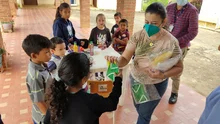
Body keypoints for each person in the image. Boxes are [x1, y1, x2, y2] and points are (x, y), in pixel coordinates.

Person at [105, 3, 183, 124]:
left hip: (156, 84)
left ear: (163, 22)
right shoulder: (138, 36)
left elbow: (179, 68)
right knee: (140, 109)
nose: (148, 26)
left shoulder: (171, 42)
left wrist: (162, 75)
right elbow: (125, 58)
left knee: (144, 115)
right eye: (146, 22)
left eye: (154, 23)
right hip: (137, 80)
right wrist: (117, 61)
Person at [43, 52, 122, 124]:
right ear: (84, 79)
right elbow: (112, 104)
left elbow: (46, 121)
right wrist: (118, 79)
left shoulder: (55, 98)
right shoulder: (92, 101)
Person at [166, 0, 198, 104]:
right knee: (164, 66)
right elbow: (165, 24)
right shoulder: (170, 7)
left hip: (181, 46)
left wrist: (177, 41)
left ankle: (174, 93)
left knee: (176, 70)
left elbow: (193, 32)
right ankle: (161, 87)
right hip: (167, 45)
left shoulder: (192, 11)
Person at [22, 34, 53, 124]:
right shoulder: (35, 76)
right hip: (43, 117)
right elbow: (39, 102)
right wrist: (51, 119)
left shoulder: (42, 64)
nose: (50, 54)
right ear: (34, 55)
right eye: (47, 52)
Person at [89, 13, 112, 81]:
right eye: (99, 20)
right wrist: (95, 45)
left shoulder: (107, 30)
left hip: (104, 51)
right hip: (96, 51)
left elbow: (110, 40)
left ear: (105, 21)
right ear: (96, 22)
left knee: (103, 63)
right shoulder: (94, 30)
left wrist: (106, 45)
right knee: (97, 64)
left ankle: (102, 76)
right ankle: (96, 76)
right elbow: (90, 41)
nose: (101, 22)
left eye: (103, 20)